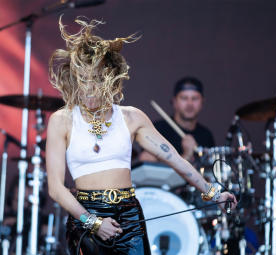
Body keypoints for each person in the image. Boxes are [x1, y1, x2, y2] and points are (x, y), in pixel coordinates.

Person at [44, 17, 236, 254]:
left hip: (129, 215)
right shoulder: (61, 121)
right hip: (86, 215)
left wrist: (213, 192)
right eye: (82, 79)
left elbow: (174, 158)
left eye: (95, 79)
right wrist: (92, 222)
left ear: (108, 78)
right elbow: (55, 188)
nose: (88, 87)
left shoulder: (131, 117)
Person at [138, 77, 215, 162]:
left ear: (202, 103)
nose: (190, 104)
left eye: (195, 98)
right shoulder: (157, 129)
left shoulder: (206, 135)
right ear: (174, 102)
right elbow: (146, 161)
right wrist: (186, 155)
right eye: (184, 98)